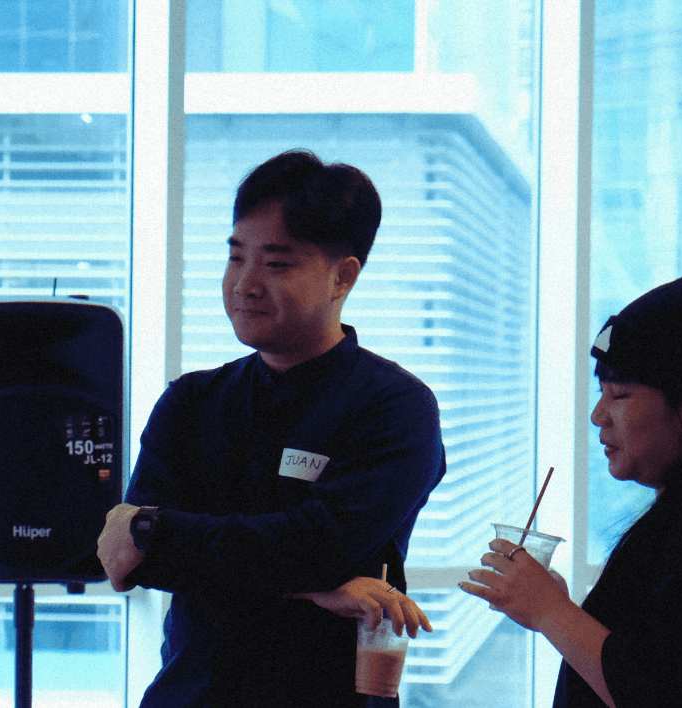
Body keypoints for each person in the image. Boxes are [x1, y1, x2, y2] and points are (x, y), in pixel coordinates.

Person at [96, 149, 444, 706]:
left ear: (342, 276)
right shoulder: (193, 399)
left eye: (276, 264)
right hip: (189, 694)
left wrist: (158, 528)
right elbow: (129, 561)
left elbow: (314, 545)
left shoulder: (395, 407)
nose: (245, 284)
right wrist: (323, 587)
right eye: (237, 258)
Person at [461, 271, 682, 707]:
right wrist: (556, 608)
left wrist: (551, 612)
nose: (598, 415)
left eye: (620, 395)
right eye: (601, 392)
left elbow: (658, 691)